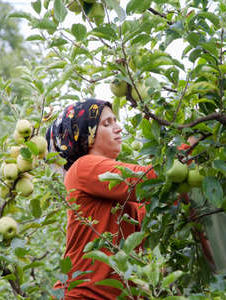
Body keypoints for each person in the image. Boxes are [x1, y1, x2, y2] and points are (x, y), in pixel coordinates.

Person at [46, 99, 157, 299]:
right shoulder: (84, 167)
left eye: (115, 121)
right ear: (84, 135)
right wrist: (188, 149)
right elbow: (148, 180)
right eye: (107, 124)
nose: (118, 128)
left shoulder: (119, 190)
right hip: (84, 295)